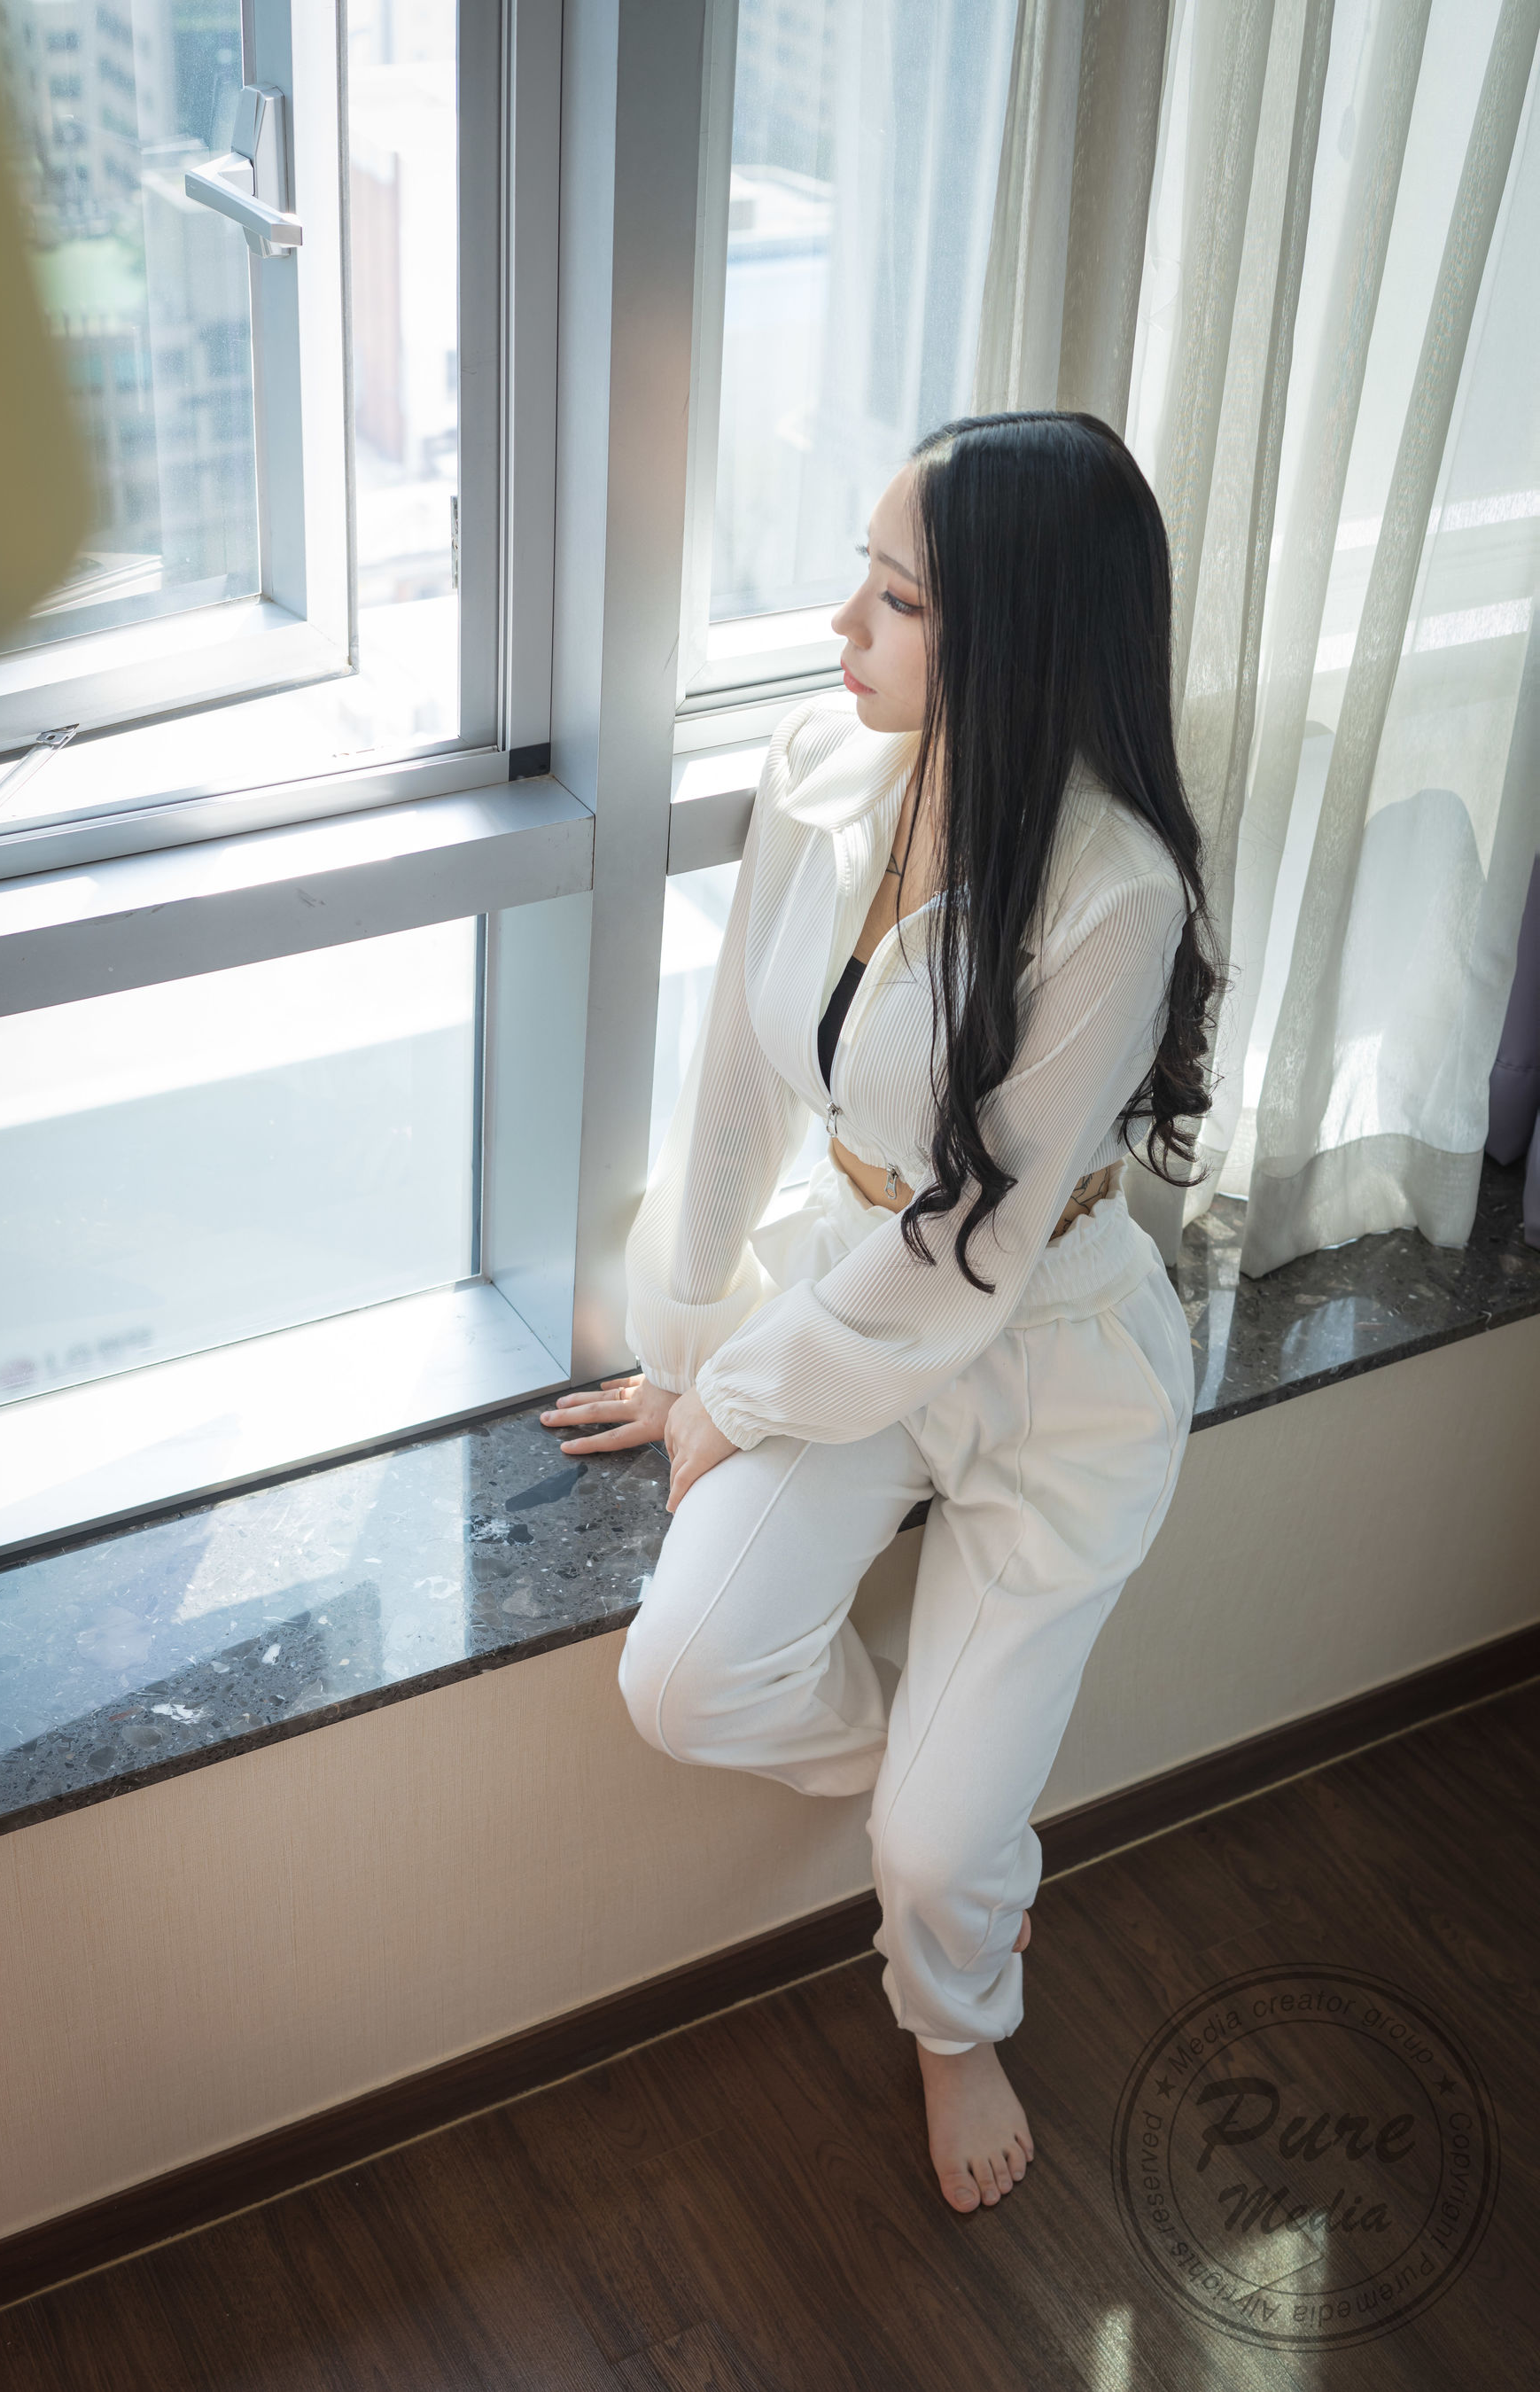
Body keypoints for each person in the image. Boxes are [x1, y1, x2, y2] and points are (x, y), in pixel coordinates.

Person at [541, 411, 1218, 2215]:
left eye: (899, 599)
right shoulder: (823, 764)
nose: (845, 625)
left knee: (931, 1859)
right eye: (866, 575)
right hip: (849, 1306)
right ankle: (947, 1816)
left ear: (1018, 634)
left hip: (1053, 1362)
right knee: (686, 1680)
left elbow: (974, 1247)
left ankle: (954, 2003)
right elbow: (739, 1083)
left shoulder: (1115, 890)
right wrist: (687, 1344)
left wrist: (743, 1396)